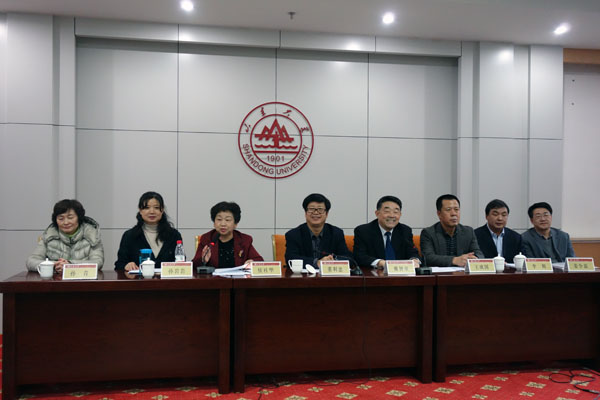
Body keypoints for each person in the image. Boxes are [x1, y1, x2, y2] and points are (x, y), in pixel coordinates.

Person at [26, 199, 104, 273]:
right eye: (61, 218)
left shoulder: (92, 236)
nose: (66, 222)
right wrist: (54, 265)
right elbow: (31, 261)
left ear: (79, 218)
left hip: (83, 280)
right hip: (55, 280)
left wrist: (70, 265)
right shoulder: (49, 236)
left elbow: (98, 262)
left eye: (70, 218)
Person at [115, 191, 182, 271]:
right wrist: (126, 266)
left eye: (156, 207)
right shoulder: (130, 236)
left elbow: (181, 263)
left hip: (167, 279)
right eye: (147, 208)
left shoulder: (174, 235)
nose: (152, 211)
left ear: (162, 210)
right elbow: (119, 265)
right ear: (140, 210)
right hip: (139, 279)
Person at [285, 193, 352, 268]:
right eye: (311, 209)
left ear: (326, 214)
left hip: (329, 274)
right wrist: (316, 262)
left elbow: (347, 258)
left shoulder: (336, 233)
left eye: (320, 209)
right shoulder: (293, 235)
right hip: (302, 275)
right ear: (305, 213)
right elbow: (290, 259)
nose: (316, 212)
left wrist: (332, 260)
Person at [353, 195, 420, 268]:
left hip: (400, 272)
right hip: (374, 273)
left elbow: (412, 252)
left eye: (396, 212)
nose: (392, 215)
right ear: (377, 213)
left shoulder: (405, 231)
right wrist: (380, 262)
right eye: (387, 211)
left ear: (400, 215)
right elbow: (359, 256)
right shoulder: (363, 231)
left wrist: (414, 260)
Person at [192, 201, 263, 268]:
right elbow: (194, 265)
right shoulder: (207, 239)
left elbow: (259, 260)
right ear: (214, 223)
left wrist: (252, 262)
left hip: (237, 277)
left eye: (227, 220)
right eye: (219, 219)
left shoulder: (244, 240)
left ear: (235, 224)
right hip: (213, 277)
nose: (223, 224)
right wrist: (203, 260)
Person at [420, 194, 483, 267]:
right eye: (448, 210)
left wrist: (473, 258)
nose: (453, 214)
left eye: (456, 209)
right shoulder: (428, 233)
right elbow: (428, 258)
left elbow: (479, 254)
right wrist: (454, 260)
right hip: (440, 273)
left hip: (462, 272)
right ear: (439, 214)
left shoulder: (468, 231)